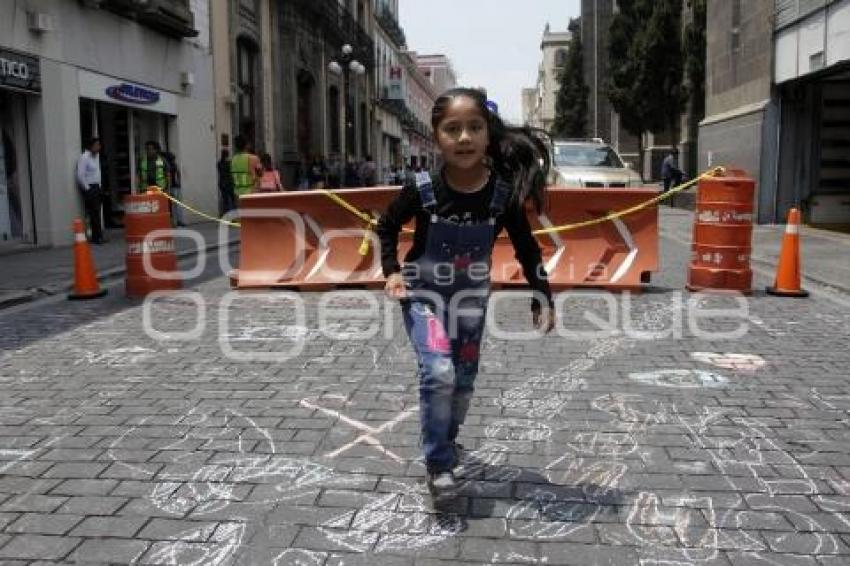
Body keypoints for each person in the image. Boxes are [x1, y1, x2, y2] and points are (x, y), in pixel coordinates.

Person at [376, 87, 555, 496]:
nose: (464, 137)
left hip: (470, 304)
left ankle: (448, 439)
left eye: (474, 127)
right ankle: (439, 465)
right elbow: (386, 226)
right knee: (439, 371)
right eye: (452, 129)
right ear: (436, 136)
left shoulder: (502, 194)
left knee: (463, 382)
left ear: (487, 135)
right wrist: (392, 272)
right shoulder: (423, 189)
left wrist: (541, 293)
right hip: (425, 301)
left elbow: (528, 248)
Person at [75, 137, 105, 244]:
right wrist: (87, 189)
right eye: (97, 145)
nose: (99, 148)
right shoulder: (84, 157)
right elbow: (80, 175)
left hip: (97, 187)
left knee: (97, 212)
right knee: (94, 213)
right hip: (90, 188)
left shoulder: (96, 157)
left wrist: (100, 186)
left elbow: (97, 172)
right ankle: (96, 237)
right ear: (91, 146)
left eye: (99, 145)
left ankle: (98, 235)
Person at [163, 151, 186, 226]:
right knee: (176, 205)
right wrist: (179, 183)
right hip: (175, 186)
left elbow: (169, 176)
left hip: (171, 186)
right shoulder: (174, 165)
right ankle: (178, 221)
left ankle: (175, 222)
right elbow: (178, 174)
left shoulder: (167, 165)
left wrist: (168, 187)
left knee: (172, 206)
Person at [217, 149, 236, 216]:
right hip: (229, 183)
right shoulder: (229, 163)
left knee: (225, 200)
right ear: (227, 155)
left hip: (222, 183)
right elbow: (231, 173)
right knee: (233, 199)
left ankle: (225, 215)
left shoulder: (219, 163)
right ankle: (233, 215)